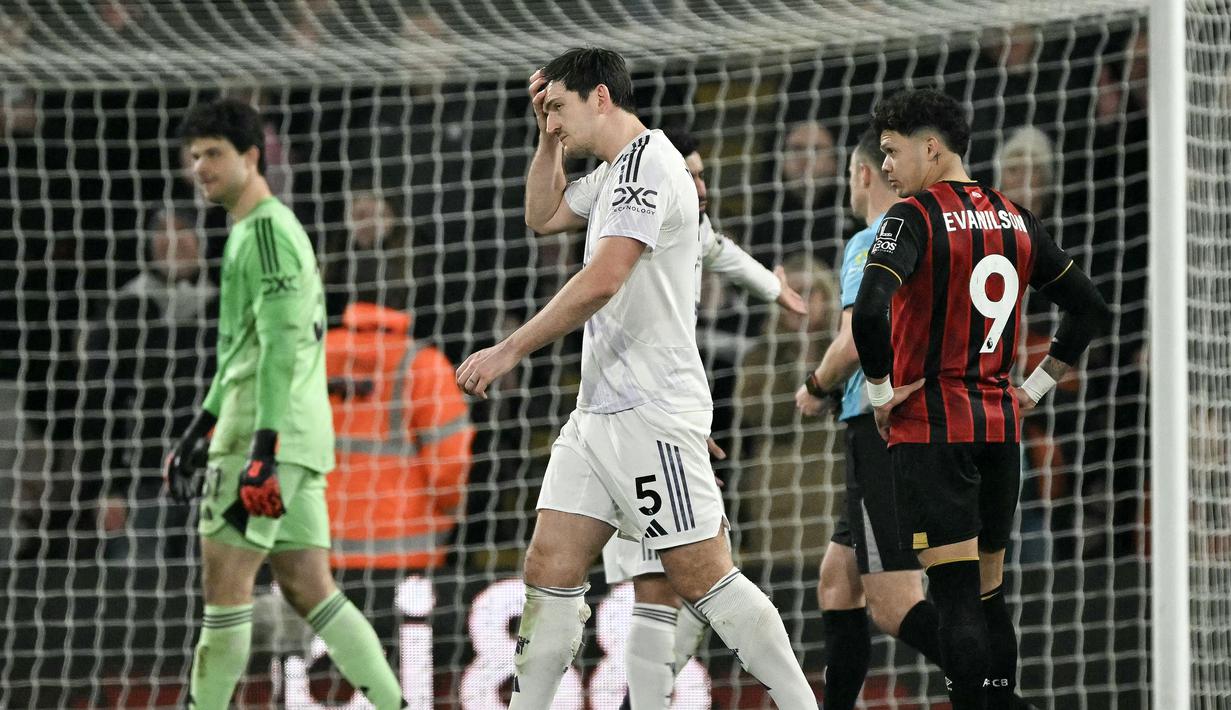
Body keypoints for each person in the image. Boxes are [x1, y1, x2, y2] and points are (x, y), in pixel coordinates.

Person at [455, 48, 817, 708]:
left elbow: (603, 278)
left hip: (650, 410)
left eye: (558, 108)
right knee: (549, 566)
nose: (552, 120)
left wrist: (509, 350)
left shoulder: (648, 165)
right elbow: (541, 214)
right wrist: (546, 139)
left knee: (700, 576)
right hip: (599, 412)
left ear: (600, 97)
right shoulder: (613, 172)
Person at [849, 89, 1111, 710]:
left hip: (933, 429)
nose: (886, 167)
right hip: (1000, 428)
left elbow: (868, 311)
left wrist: (881, 395)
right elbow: (1090, 308)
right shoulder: (1018, 219)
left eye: (892, 151)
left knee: (956, 598)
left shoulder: (912, 218)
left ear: (931, 148)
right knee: (991, 595)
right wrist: (1034, 389)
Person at [163, 98, 406, 710]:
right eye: (194, 156)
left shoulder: (268, 234)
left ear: (251, 157)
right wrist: (200, 427)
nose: (200, 167)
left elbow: (278, 349)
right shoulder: (251, 230)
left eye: (213, 154)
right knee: (308, 588)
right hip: (288, 443)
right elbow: (243, 351)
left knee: (225, 592)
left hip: (262, 442)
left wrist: (260, 452)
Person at [602, 126, 808, 710]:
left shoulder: (688, 228)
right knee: (664, 583)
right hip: (637, 422)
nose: (701, 186)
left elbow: (717, 247)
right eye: (688, 174)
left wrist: (773, 288)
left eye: (702, 173)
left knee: (693, 578)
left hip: (667, 419)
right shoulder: (634, 234)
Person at [324, 300, 474, 572]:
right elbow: (449, 463)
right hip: (404, 555)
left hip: (312, 554)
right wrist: (453, 511)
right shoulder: (424, 365)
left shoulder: (312, 355)